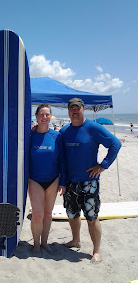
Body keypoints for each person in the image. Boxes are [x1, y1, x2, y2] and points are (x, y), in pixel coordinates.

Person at [59, 98, 121, 263]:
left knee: (92, 218)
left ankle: (96, 251)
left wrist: (103, 165)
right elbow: (60, 156)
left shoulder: (93, 128)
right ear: (68, 111)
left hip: (89, 182)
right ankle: (75, 240)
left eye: (77, 108)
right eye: (71, 108)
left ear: (83, 109)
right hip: (70, 182)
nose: (74, 111)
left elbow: (115, 144)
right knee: (72, 214)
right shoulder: (64, 131)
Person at [29, 103, 66, 252]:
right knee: (37, 215)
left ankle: (44, 242)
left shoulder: (56, 136)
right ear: (36, 117)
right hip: (34, 179)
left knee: (48, 213)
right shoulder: (29, 135)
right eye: (42, 114)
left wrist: (62, 181)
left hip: (53, 179)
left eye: (47, 114)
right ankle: (36, 245)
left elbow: (62, 160)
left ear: (50, 117)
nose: (44, 117)